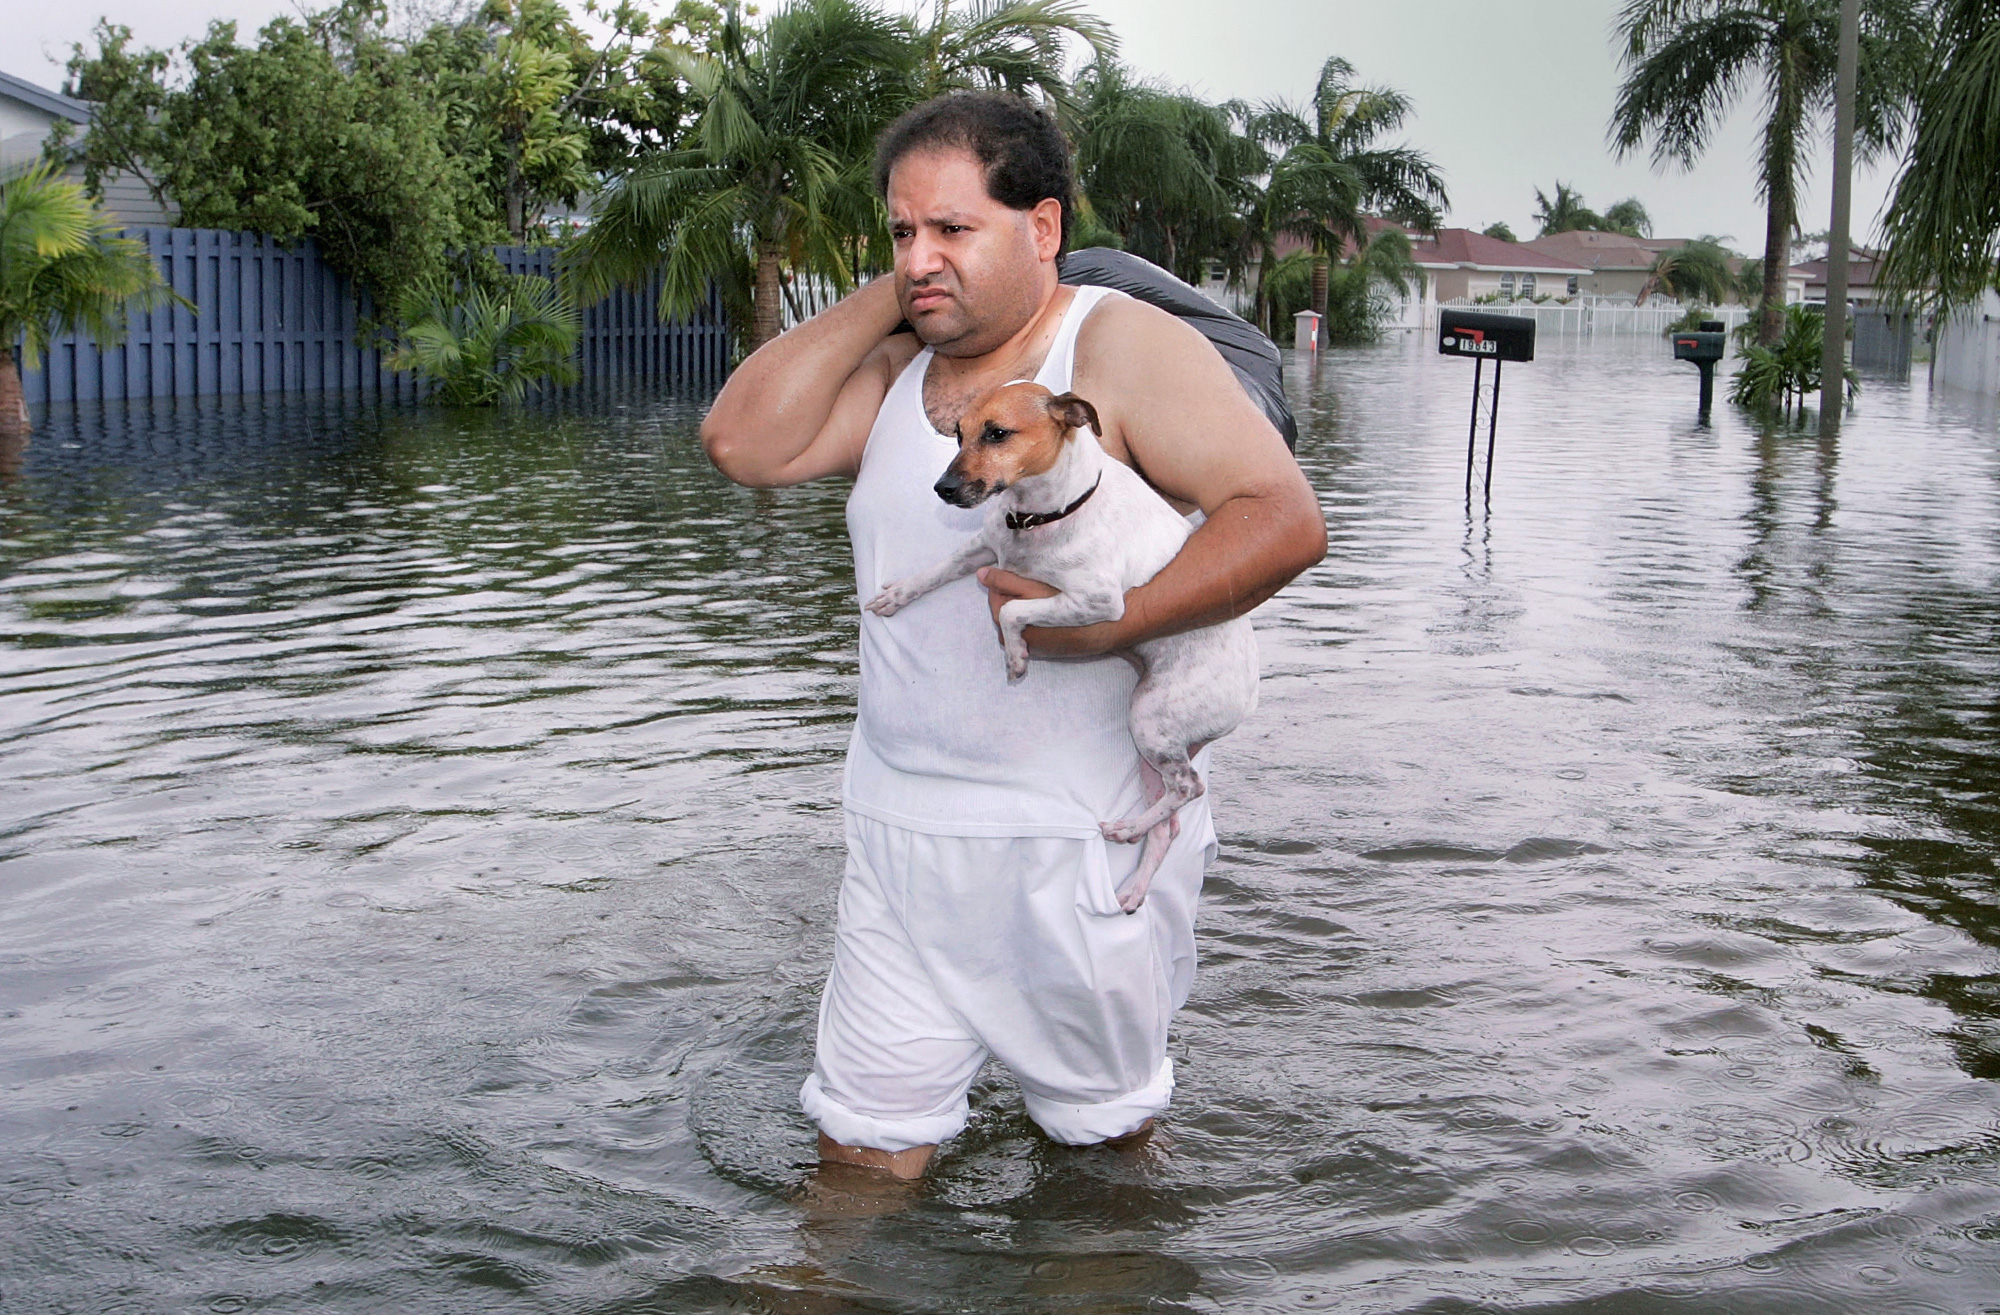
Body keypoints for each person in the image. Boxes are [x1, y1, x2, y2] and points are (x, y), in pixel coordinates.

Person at [700, 92, 1325, 1180]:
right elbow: (740, 442)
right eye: (901, 231)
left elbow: (1281, 520)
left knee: (1099, 1173)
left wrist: (1114, 625)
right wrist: (891, 297)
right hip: (898, 836)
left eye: (952, 230)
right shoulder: (901, 378)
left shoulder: (1116, 348)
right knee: (854, 1165)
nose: (919, 257)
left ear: (1040, 229)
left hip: (1071, 843)